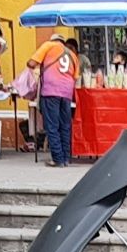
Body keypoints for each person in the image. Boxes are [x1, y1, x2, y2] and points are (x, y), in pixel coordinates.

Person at [28, 33, 80, 167]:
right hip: (67, 93)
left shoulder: (48, 46)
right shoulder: (72, 55)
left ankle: (57, 159)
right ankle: (66, 158)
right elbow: (75, 77)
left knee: (52, 126)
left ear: (53, 40)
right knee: (65, 126)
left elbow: (31, 63)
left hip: (51, 91)